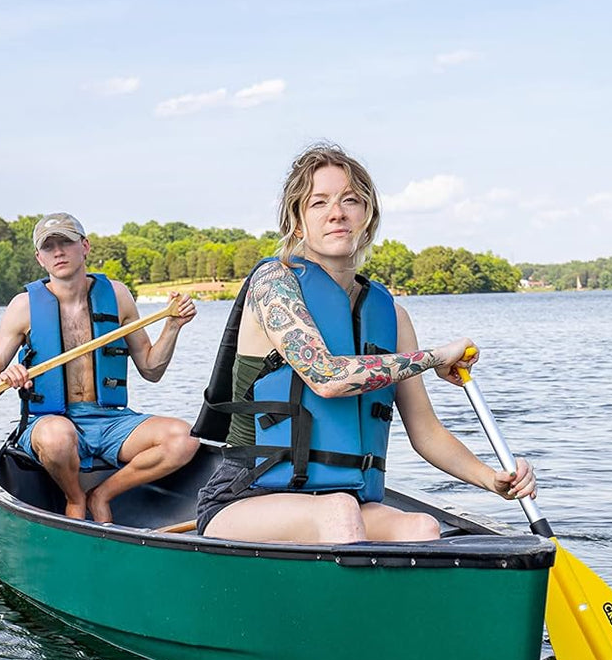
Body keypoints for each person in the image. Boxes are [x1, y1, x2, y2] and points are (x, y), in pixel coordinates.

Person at [192, 143, 535, 542]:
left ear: (367, 218)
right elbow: (326, 376)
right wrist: (435, 357)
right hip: (245, 497)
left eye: (350, 200)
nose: (337, 213)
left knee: (420, 527)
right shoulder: (274, 285)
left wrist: (492, 479)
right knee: (339, 512)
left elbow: (426, 432)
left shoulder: (390, 316)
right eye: (319, 202)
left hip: (343, 503)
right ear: (298, 223)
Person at [0, 212, 199, 522]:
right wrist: (3, 377)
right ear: (39, 258)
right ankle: (75, 498)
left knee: (184, 438)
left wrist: (172, 327)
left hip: (110, 421)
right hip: (49, 421)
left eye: (65, 243)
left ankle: (103, 494)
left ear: (85, 246)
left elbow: (151, 369)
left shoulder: (118, 296)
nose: (58, 252)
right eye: (49, 246)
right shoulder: (23, 306)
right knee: (57, 437)